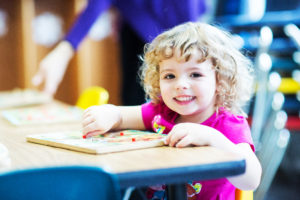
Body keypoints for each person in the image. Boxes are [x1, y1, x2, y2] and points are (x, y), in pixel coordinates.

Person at [81, 22, 262, 199]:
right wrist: (109, 114)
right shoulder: (161, 112)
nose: (180, 85)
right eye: (169, 76)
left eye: (195, 74)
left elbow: (252, 180)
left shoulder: (228, 124)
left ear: (220, 80)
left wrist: (212, 138)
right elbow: (121, 116)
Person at [32, 0, 207, 105]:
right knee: (137, 99)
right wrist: (64, 51)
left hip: (180, 32)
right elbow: (95, 6)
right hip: (137, 33)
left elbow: (190, 15)